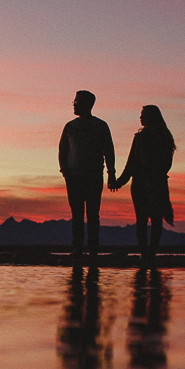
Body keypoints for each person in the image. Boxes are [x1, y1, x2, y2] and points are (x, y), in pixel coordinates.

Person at [111, 105, 175, 266]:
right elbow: (131, 162)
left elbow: (166, 163)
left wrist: (152, 180)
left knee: (156, 219)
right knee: (141, 219)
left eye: (143, 115)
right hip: (139, 184)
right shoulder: (139, 138)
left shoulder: (164, 137)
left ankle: (151, 252)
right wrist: (119, 182)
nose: (140, 118)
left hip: (157, 183)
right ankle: (144, 253)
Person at [59, 90, 116, 259]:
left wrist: (111, 174)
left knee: (92, 215)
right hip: (73, 177)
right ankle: (77, 248)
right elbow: (62, 151)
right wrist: (65, 172)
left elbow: (109, 151)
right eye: (74, 102)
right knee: (76, 214)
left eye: (77, 102)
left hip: (93, 177)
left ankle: (93, 250)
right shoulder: (70, 127)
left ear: (87, 104)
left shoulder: (100, 126)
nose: (74, 104)